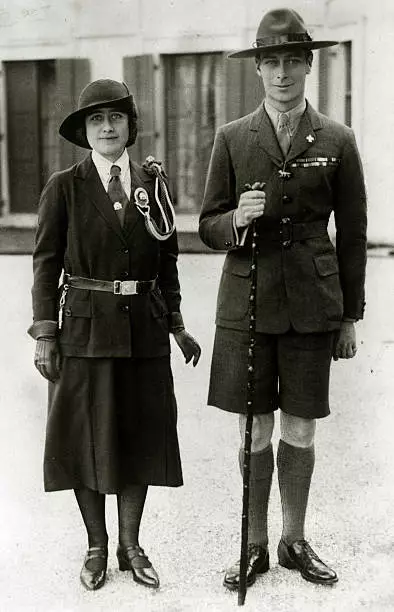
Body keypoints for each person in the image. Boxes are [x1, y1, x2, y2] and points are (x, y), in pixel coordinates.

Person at [199, 8, 367, 592]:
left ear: (308, 65)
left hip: (313, 306)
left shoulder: (339, 140)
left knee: (300, 427)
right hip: (246, 303)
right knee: (252, 429)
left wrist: (349, 316)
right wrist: (234, 221)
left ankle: (294, 539)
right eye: (271, 62)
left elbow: (353, 234)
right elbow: (206, 225)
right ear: (258, 70)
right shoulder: (232, 138)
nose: (281, 73)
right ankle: (254, 546)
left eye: (292, 61)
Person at [29, 79, 201, 591]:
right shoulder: (65, 185)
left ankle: (131, 545)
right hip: (83, 332)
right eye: (96, 120)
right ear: (84, 132)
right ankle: (97, 546)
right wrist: (45, 332)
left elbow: (167, 261)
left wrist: (176, 324)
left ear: (130, 126)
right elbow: (45, 263)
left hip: (142, 333)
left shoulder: (153, 185)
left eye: (116, 118)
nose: (107, 127)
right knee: (85, 440)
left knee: (138, 438)